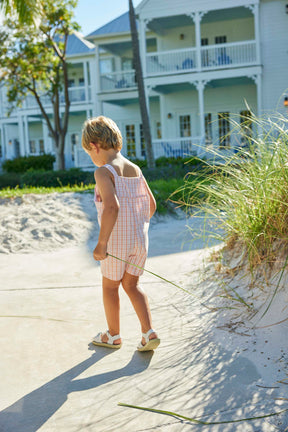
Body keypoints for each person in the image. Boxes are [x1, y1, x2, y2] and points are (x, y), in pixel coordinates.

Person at [81, 116, 160, 352]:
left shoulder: (104, 173)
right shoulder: (136, 169)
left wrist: (102, 243)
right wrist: (137, 225)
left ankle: (113, 336)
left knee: (110, 287)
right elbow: (152, 205)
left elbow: (112, 207)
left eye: (89, 153)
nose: (92, 158)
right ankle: (149, 332)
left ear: (94, 146)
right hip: (139, 240)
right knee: (133, 285)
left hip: (115, 243)